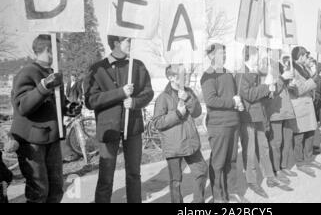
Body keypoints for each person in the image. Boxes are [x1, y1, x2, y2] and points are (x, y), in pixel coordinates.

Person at [10, 34, 82, 203]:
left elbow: (58, 105)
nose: (61, 55)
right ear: (49, 50)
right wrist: (43, 86)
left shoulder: (54, 73)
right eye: (58, 51)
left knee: (56, 188)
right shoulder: (27, 72)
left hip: (52, 139)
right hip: (31, 141)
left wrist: (71, 108)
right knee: (39, 191)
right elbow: (22, 106)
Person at [84, 35, 154, 203]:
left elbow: (148, 92)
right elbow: (90, 101)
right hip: (109, 130)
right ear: (116, 43)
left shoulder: (137, 66)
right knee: (106, 177)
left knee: (134, 174)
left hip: (133, 128)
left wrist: (135, 102)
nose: (131, 43)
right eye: (127, 40)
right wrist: (120, 93)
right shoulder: (97, 69)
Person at [236, 46, 291, 199]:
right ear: (249, 56)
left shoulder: (254, 72)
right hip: (247, 118)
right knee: (250, 150)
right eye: (256, 56)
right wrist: (266, 87)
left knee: (264, 146)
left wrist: (270, 91)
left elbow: (260, 95)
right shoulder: (241, 73)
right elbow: (248, 94)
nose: (258, 58)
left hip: (259, 115)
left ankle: (270, 176)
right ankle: (252, 180)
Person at [153, 65, 208, 203]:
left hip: (190, 143)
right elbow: (157, 123)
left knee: (201, 171)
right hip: (174, 146)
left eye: (186, 74)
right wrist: (177, 114)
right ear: (171, 77)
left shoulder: (188, 91)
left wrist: (188, 99)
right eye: (182, 75)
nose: (186, 77)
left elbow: (197, 112)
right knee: (176, 181)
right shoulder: (163, 98)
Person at [200, 43, 244, 203]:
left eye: (225, 53)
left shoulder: (228, 73)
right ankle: (219, 197)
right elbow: (211, 100)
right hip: (218, 125)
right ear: (211, 56)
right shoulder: (208, 76)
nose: (224, 56)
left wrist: (238, 103)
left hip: (233, 122)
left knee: (232, 160)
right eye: (220, 53)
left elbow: (233, 96)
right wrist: (232, 102)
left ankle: (232, 193)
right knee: (218, 162)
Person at [289, 46, 321, 178]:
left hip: (308, 105)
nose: (306, 58)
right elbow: (299, 89)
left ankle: (309, 159)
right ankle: (300, 162)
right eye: (304, 56)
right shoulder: (292, 70)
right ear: (299, 57)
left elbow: (309, 85)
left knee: (310, 133)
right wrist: (313, 80)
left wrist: (313, 77)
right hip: (299, 106)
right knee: (299, 136)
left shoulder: (305, 69)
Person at [265, 54, 298, 183]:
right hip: (275, 112)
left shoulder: (284, 67)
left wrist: (292, 84)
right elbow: (271, 92)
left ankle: (284, 166)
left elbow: (291, 90)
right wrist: (282, 79)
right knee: (276, 143)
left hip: (288, 111)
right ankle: (276, 169)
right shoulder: (269, 68)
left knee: (287, 140)